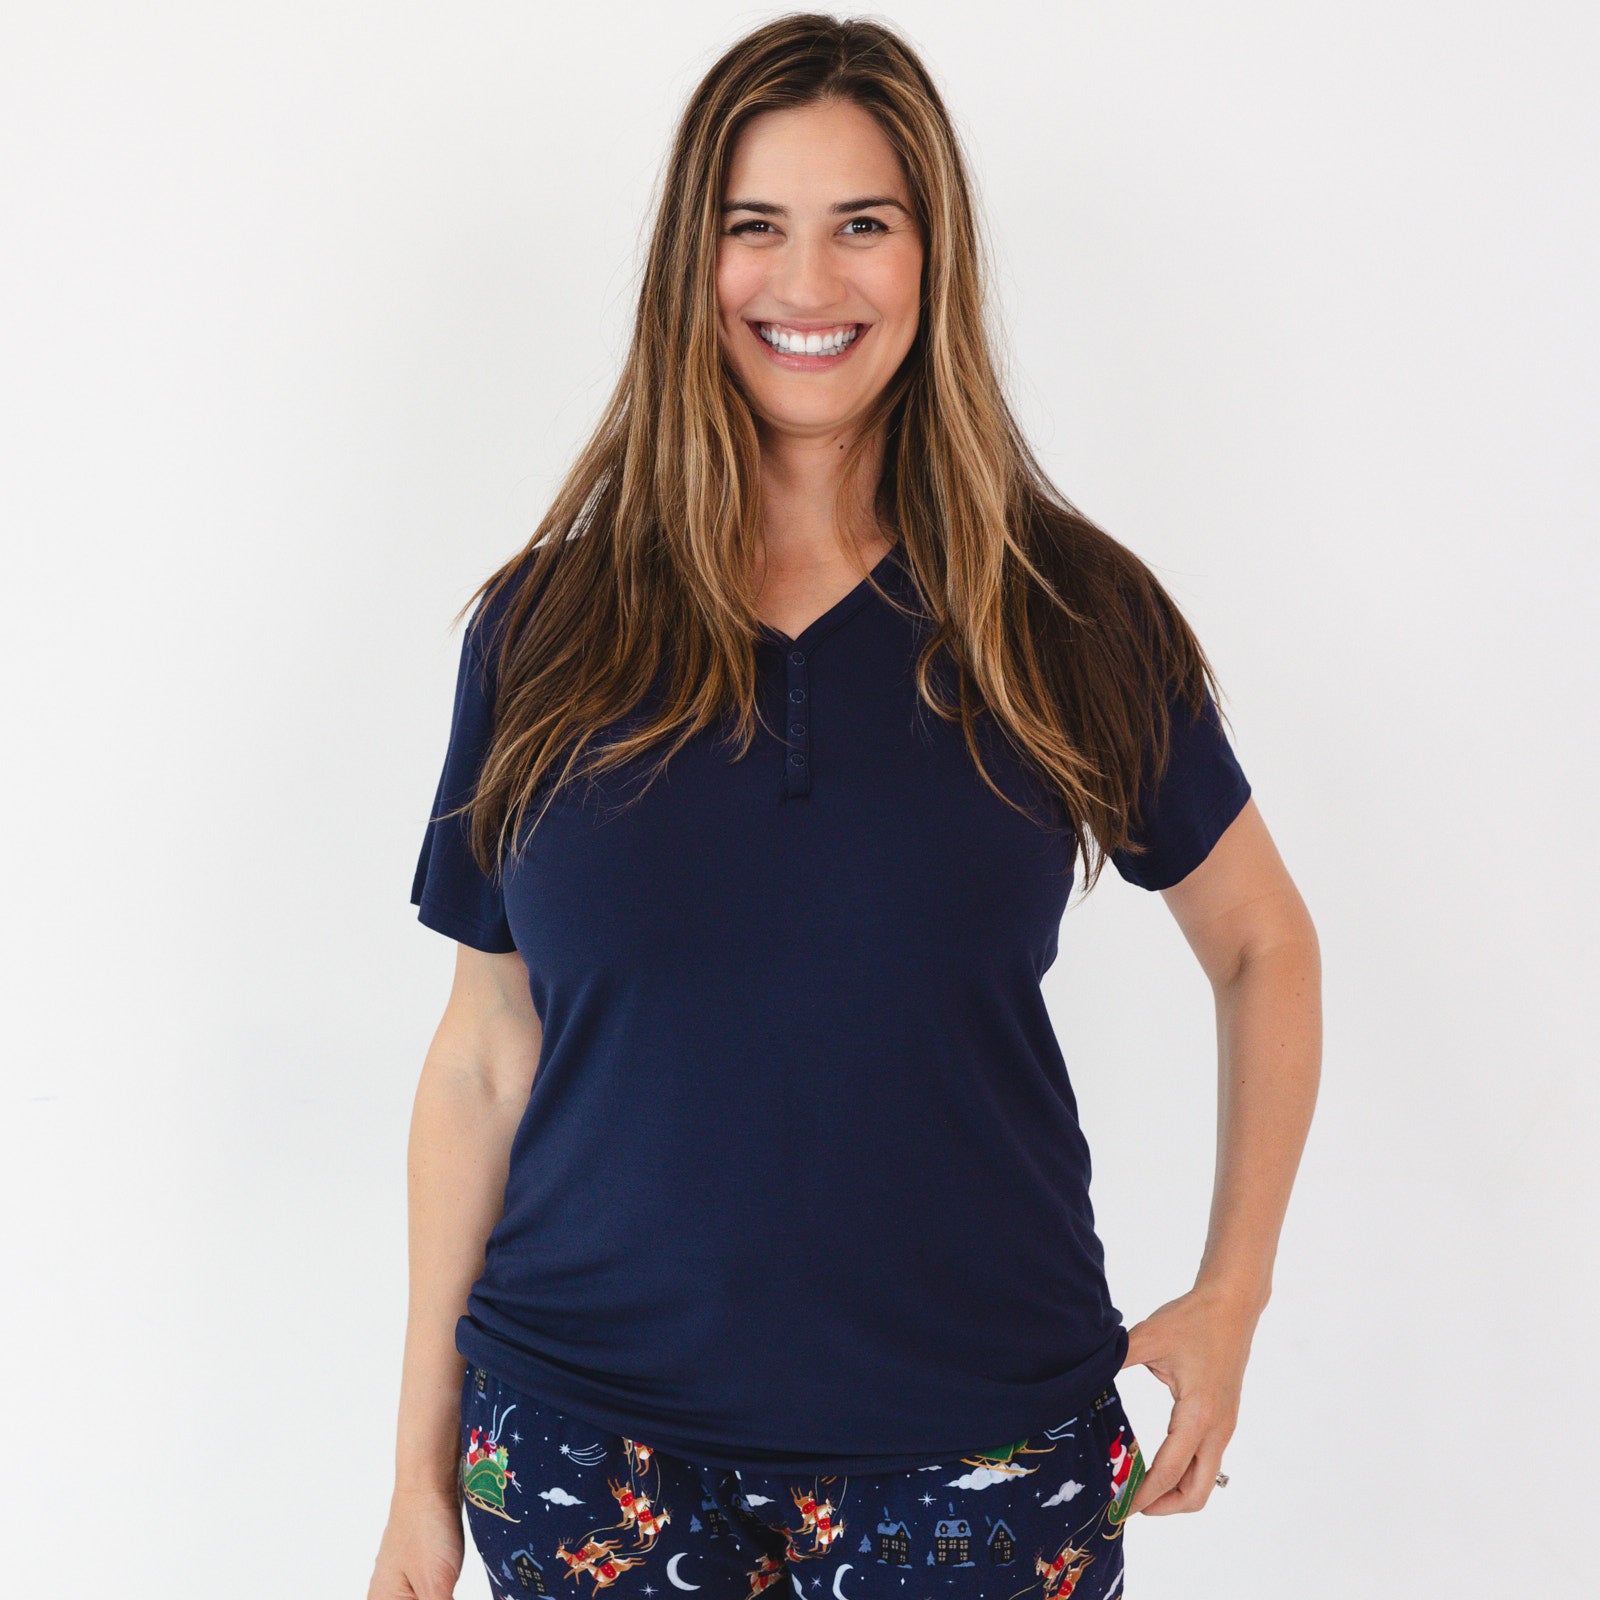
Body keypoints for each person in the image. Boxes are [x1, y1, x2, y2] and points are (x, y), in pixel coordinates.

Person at [368, 16, 1320, 1600]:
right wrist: (414, 1477)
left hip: (981, 1459)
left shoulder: (1064, 615)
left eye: (861, 225)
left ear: (930, 257)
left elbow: (1263, 948)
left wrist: (1235, 1294)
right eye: (756, 228)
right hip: (585, 1457)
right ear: (696, 263)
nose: (806, 285)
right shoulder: (543, 629)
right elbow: (480, 1052)